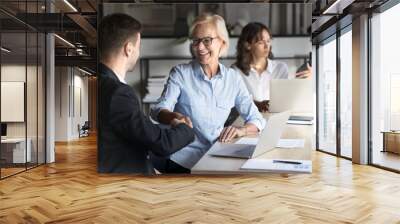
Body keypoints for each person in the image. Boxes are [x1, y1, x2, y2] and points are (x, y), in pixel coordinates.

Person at [151, 14, 266, 173]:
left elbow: (257, 119)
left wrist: (242, 130)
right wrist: (174, 117)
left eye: (206, 40)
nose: (200, 47)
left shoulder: (233, 78)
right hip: (181, 159)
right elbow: (158, 110)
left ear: (222, 43)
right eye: (196, 41)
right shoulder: (181, 74)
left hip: (215, 156)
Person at [97, 13, 195, 174]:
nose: (138, 52)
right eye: (138, 46)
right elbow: (162, 144)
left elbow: (137, 132)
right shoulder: (118, 93)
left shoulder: (99, 83)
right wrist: (184, 128)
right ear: (128, 49)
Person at [233, 22, 312, 112]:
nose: (267, 46)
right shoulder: (235, 71)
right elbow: (235, 101)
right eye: (261, 42)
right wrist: (258, 105)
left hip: (274, 120)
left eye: (268, 41)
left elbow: (287, 99)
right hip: (245, 123)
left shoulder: (280, 68)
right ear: (248, 45)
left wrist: (305, 81)